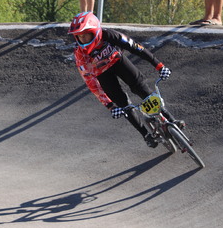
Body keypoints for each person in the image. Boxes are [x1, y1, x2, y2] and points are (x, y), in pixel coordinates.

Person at [68, 12, 182, 148]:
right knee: (124, 105)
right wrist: (110, 106)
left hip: (119, 63)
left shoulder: (110, 35)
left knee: (143, 90)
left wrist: (159, 66)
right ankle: (145, 134)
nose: (83, 39)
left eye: (86, 35)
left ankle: (171, 120)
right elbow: (90, 82)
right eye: (79, 37)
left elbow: (136, 48)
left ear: (95, 31)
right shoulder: (80, 55)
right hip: (103, 75)